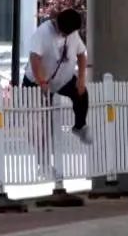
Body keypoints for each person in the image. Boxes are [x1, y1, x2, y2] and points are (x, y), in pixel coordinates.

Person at [23, 8, 92, 145]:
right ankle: (41, 145)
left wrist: (81, 79)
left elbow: (81, 54)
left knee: (82, 94)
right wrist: (41, 81)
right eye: (64, 32)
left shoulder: (73, 34)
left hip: (62, 80)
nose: (65, 35)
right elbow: (35, 58)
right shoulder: (43, 32)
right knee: (42, 118)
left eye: (68, 33)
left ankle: (79, 127)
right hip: (36, 81)